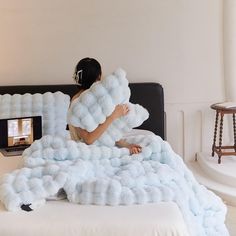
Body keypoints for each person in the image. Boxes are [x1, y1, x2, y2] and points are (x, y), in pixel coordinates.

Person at [69, 57, 142, 154]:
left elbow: (106, 132)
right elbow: (88, 140)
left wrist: (127, 145)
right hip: (83, 150)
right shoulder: (77, 103)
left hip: (99, 148)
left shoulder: (100, 98)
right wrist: (113, 116)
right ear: (98, 77)